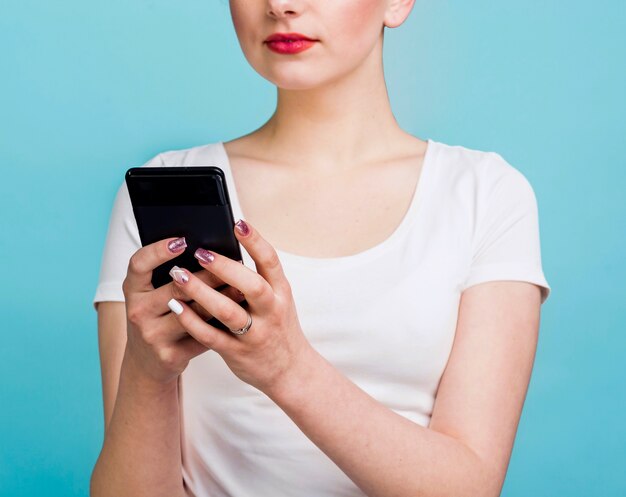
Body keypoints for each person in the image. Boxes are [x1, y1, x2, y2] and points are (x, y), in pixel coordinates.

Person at [90, 1, 552, 496]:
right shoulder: (162, 189)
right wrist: (147, 373)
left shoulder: (485, 195)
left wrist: (287, 368)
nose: (280, 5)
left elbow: (470, 488)